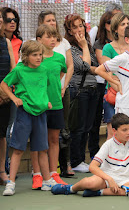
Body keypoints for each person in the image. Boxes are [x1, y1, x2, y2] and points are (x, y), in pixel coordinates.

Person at [51, 113, 129, 197]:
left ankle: (99, 192)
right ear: (114, 131)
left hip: (125, 179)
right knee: (89, 183)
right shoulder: (108, 145)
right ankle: (71, 189)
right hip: (106, 178)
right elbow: (92, 166)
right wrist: (109, 179)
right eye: (124, 130)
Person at [1, 40, 58, 196]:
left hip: (41, 114)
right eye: (35, 55)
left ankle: (46, 180)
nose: (39, 58)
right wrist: (14, 98)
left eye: (40, 55)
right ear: (25, 56)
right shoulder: (19, 70)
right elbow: (4, 85)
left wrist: (46, 101)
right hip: (24, 114)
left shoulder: (44, 69)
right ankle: (10, 183)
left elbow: (43, 88)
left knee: (42, 149)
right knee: (18, 149)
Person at [31, 11, 75, 188]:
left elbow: (62, 72)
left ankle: (53, 173)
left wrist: (60, 88)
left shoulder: (58, 58)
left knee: (54, 139)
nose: (53, 40)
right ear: (39, 39)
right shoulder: (33, 58)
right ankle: (37, 175)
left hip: (56, 103)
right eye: (49, 37)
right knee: (37, 139)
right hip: (38, 104)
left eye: (54, 38)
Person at [64, 14, 99, 173]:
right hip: (79, 90)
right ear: (69, 30)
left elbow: (95, 64)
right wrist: (84, 47)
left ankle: (80, 159)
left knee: (87, 126)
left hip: (92, 89)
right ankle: (76, 160)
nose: (80, 30)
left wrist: (86, 48)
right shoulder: (70, 47)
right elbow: (85, 66)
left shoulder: (88, 45)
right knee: (77, 127)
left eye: (81, 26)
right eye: (75, 27)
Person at [96, 24, 129, 136]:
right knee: (122, 136)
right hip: (126, 104)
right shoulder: (121, 58)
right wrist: (114, 82)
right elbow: (99, 70)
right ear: (127, 39)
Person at [89, 11, 118, 159]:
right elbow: (104, 66)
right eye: (108, 22)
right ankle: (99, 157)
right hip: (103, 86)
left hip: (123, 89)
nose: (111, 25)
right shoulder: (101, 43)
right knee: (102, 123)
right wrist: (115, 81)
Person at [101, 13, 129, 140]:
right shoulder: (108, 48)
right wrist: (120, 89)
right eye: (123, 24)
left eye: (128, 24)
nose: (126, 26)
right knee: (112, 133)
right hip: (113, 94)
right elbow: (107, 73)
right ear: (115, 29)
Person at [0, 11, 15, 185]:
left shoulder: (6, 42)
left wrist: (4, 93)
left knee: (2, 135)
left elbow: (13, 70)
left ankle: (2, 171)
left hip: (4, 97)